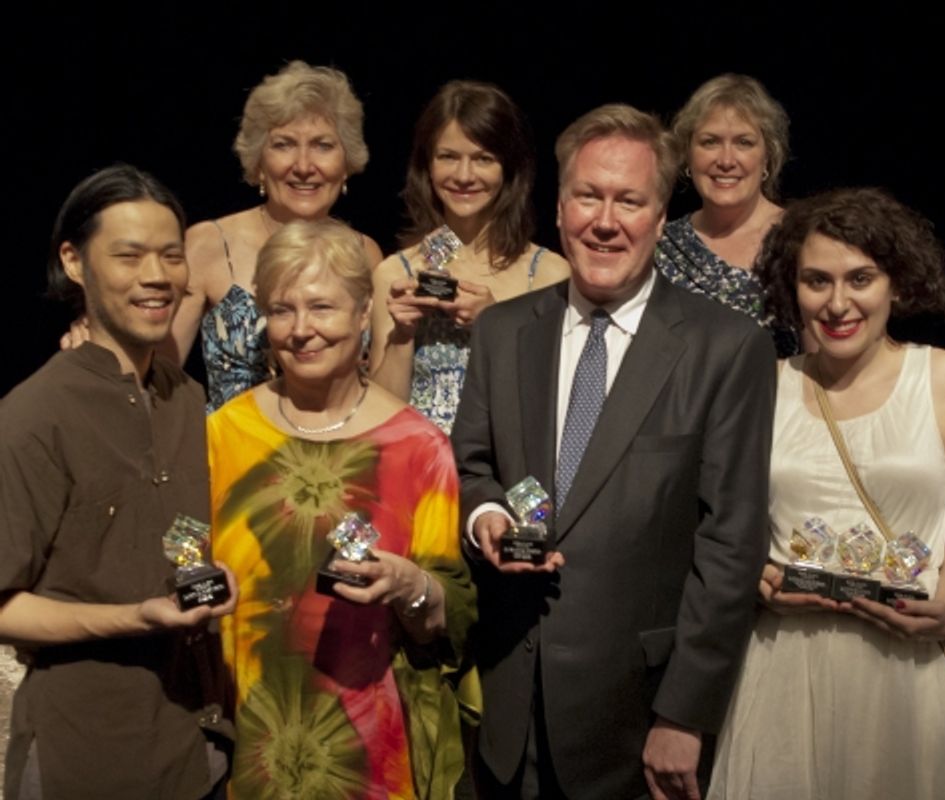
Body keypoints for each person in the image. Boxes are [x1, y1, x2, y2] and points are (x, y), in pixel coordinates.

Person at [453, 104, 775, 799]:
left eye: (629, 201)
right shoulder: (502, 332)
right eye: (587, 196)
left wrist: (684, 714)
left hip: (638, 724)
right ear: (559, 207)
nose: (605, 221)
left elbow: (731, 544)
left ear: (660, 218)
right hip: (509, 709)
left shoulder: (727, 348)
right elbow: (472, 466)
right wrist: (485, 518)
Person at [708, 188, 945, 798]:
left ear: (897, 283)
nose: (838, 303)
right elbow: (722, 521)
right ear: (792, 288)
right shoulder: (763, 385)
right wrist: (755, 577)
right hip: (786, 665)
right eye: (817, 280)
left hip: (909, 669)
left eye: (860, 278)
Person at [207, 218, 477, 799]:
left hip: (370, 757)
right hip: (244, 747)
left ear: (363, 314)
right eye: (281, 310)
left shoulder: (418, 447)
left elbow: (448, 620)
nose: (301, 329)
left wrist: (409, 584)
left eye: (322, 307)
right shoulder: (224, 435)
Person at [0, 165, 236, 798]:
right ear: (74, 263)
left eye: (171, 256)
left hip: (197, 752)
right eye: (129, 256)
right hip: (85, 756)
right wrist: (135, 617)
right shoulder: (35, 415)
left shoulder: (187, 399)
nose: (157, 276)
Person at [60, 62, 384, 412]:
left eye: (323, 145)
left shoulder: (366, 252)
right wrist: (99, 334)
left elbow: (379, 388)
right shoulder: (207, 244)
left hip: (344, 442)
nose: (304, 166)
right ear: (258, 161)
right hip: (230, 444)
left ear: (346, 161)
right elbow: (152, 376)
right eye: (284, 145)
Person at [371, 80, 569, 434]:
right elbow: (382, 419)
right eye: (448, 157)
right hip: (423, 463)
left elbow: (554, 404)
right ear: (427, 165)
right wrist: (402, 336)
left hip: (509, 464)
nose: (464, 176)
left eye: (483, 159)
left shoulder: (548, 274)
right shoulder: (395, 272)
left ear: (509, 168)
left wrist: (495, 326)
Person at [654, 74, 799, 357]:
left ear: (767, 156)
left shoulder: (801, 238)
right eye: (710, 142)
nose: (726, 160)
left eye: (744, 142)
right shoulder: (661, 246)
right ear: (688, 154)